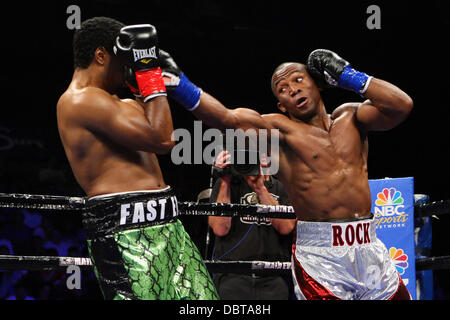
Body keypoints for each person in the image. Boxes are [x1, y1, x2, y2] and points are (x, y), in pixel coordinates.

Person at [157, 48, 413, 300]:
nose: (293, 89)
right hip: (321, 256)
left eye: (299, 80)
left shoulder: (351, 117)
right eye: (283, 89)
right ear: (281, 105)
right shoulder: (281, 133)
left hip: (369, 244)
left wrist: (347, 76)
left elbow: (401, 105)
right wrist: (181, 85)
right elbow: (228, 118)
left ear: (318, 85)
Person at [56, 17, 218, 300]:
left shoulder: (122, 102)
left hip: (169, 223)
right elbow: (162, 139)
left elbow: (163, 129)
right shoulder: (79, 101)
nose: (129, 67)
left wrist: (142, 86)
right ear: (101, 54)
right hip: (125, 234)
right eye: (125, 59)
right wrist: (149, 73)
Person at [209, 150, 295, 300]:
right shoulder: (226, 185)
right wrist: (224, 181)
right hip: (233, 276)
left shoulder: (281, 188)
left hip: (273, 279)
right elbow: (220, 229)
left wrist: (260, 189)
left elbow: (286, 227)